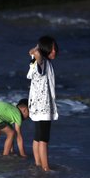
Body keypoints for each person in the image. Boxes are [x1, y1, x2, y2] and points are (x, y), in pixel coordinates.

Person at [27, 35, 59, 171]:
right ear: (45, 51)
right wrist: (38, 52)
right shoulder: (42, 62)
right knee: (44, 139)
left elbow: (32, 53)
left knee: (37, 136)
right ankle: (45, 168)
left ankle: (38, 163)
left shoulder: (34, 62)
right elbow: (37, 57)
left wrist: (36, 50)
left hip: (35, 106)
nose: (55, 52)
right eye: (52, 49)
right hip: (43, 106)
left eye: (55, 49)